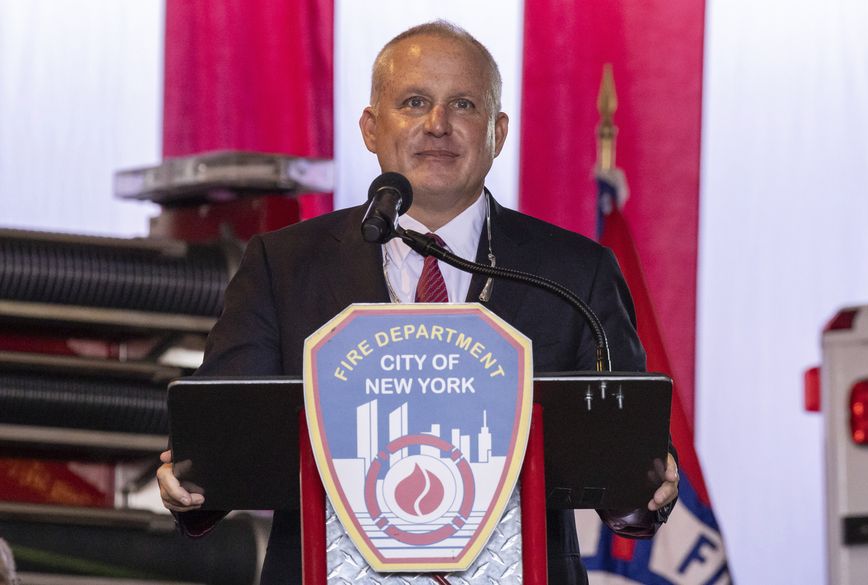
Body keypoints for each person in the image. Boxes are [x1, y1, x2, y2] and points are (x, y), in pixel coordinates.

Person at [157, 21, 679, 585]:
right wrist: (190, 487)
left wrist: (644, 491)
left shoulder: (574, 271)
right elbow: (226, 442)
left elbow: (626, 472)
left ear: (498, 132)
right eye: (413, 102)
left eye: (462, 104)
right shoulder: (283, 265)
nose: (437, 125)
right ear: (370, 128)